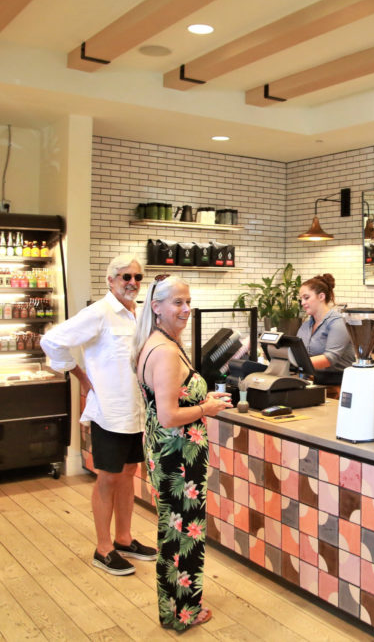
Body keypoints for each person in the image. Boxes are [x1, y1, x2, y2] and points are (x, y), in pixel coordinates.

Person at [40, 253, 157, 576]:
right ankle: (103, 548)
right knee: (107, 476)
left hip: (135, 411)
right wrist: (80, 376)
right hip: (109, 410)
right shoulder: (99, 313)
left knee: (129, 471)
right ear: (111, 280)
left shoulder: (140, 315)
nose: (132, 282)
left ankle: (124, 538)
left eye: (136, 277)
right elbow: (51, 341)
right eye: (125, 277)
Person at [134, 275, 231, 630]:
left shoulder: (158, 342)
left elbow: (169, 403)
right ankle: (185, 613)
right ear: (156, 307)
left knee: (171, 531)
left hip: (167, 451)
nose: (186, 309)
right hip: (178, 457)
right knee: (184, 532)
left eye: (188, 301)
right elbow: (170, 415)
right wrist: (207, 409)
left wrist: (203, 400)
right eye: (177, 302)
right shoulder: (165, 352)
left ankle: (173, 609)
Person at [296, 274, 356, 378]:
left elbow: (329, 358)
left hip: (337, 386)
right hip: (311, 383)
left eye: (306, 298)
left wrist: (296, 363)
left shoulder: (337, 323)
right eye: (301, 299)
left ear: (321, 297)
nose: (302, 302)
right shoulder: (306, 326)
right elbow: (296, 352)